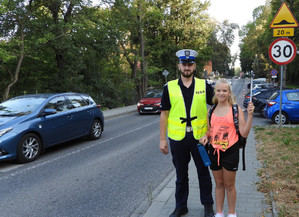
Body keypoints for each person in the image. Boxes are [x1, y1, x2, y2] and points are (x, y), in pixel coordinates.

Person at [159, 49, 215, 217]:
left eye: (190, 64)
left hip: (200, 139)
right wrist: (162, 139)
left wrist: (211, 131)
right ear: (179, 66)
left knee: (204, 173)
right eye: (184, 64)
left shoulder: (204, 85)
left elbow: (216, 107)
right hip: (178, 138)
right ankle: (181, 206)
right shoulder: (169, 87)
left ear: (194, 66)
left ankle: (208, 205)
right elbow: (164, 114)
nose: (187, 67)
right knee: (181, 175)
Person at [199, 79, 254, 217]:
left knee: (229, 185)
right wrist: (206, 137)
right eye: (218, 90)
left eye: (224, 90)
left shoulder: (236, 110)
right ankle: (219, 213)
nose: (221, 93)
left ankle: (231, 213)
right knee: (218, 184)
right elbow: (210, 131)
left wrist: (251, 115)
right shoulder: (211, 110)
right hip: (214, 152)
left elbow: (244, 133)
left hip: (230, 151)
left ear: (229, 92)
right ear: (215, 92)